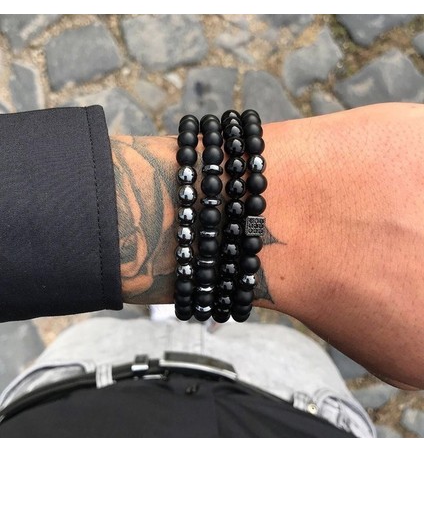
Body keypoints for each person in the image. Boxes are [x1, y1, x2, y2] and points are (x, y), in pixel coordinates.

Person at [0, 102, 423, 437]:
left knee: (98, 336)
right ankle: (190, 270)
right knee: (284, 348)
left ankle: (192, 272)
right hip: (297, 401)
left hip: (70, 391)